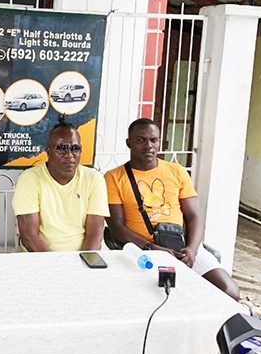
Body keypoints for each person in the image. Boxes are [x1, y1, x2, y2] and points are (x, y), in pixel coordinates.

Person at [104, 118, 240, 299]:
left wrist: (192, 249)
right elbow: (117, 228)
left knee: (229, 291)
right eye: (141, 140)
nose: (149, 146)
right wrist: (151, 248)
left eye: (154, 140)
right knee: (155, 297)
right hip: (145, 251)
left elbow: (193, 216)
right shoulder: (114, 177)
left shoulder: (177, 171)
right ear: (129, 143)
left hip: (182, 248)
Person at [12, 119, 109, 251]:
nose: (69, 155)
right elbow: (29, 237)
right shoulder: (30, 179)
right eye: (61, 148)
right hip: (40, 259)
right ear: (48, 151)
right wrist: (57, 268)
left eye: (75, 148)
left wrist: (83, 265)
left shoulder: (94, 179)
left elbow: (95, 235)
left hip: (81, 259)